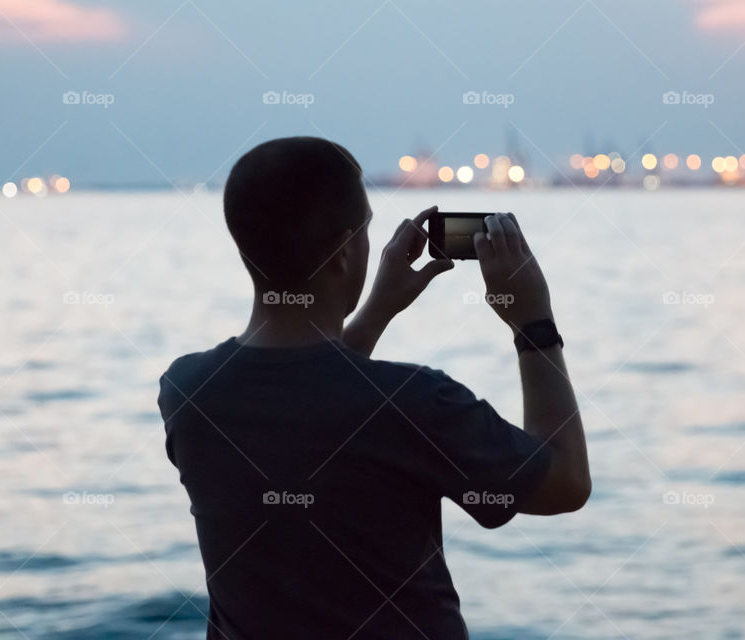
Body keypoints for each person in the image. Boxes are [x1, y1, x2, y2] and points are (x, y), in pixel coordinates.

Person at [158, 137, 590, 639]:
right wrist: (533, 322)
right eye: (365, 230)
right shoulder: (415, 402)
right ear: (346, 252)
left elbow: (311, 396)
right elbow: (564, 483)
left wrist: (376, 309)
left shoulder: (187, 391)